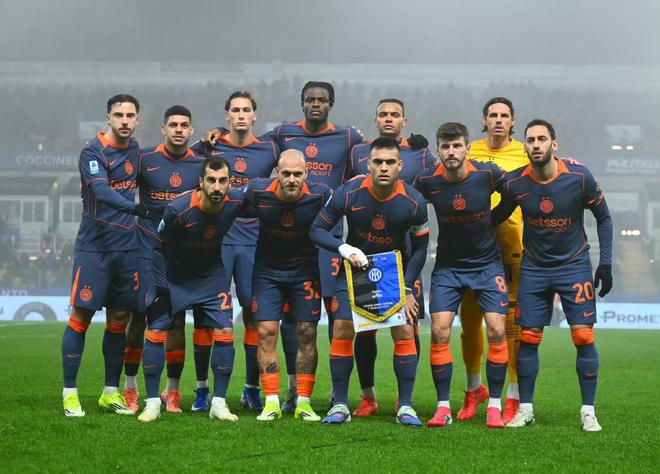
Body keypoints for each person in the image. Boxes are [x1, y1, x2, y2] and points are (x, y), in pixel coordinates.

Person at [204, 81, 364, 411]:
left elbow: (376, 158)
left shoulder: (349, 137)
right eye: (310, 99)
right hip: (280, 246)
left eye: (322, 100)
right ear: (302, 103)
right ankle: (290, 391)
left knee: (334, 320)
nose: (316, 104)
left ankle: (337, 394)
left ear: (331, 104)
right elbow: (247, 140)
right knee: (286, 323)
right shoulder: (282, 134)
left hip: (325, 239)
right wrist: (219, 132)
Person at [491, 119, 613, 431]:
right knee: (528, 339)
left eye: (542, 139)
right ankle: (526, 409)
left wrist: (606, 263)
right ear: (525, 146)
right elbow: (497, 216)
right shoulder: (516, 183)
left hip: (574, 266)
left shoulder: (579, 177)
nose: (536, 144)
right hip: (534, 269)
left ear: (553, 145)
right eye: (531, 140)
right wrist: (466, 227)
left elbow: (604, 217)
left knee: (583, 336)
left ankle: (588, 411)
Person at [310, 136, 429, 426]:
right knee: (342, 327)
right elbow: (317, 229)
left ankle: (406, 407)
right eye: (378, 162)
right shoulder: (348, 193)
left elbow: (421, 248)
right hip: (355, 269)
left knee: (404, 330)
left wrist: (407, 287)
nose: (383, 167)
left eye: (390, 162)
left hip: (394, 273)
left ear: (400, 166)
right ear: (368, 165)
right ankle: (340, 404)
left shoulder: (414, 201)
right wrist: (344, 248)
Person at [62, 94, 162, 417]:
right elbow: (102, 192)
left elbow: (166, 160)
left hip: (126, 250)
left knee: (118, 320)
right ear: (108, 118)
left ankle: (110, 391)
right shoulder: (93, 152)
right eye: (118, 115)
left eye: (130, 115)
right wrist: (137, 209)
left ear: (137, 119)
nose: (124, 121)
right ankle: (70, 393)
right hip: (95, 249)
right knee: (80, 318)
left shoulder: (135, 149)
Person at [414, 122, 509, 428]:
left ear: (468, 148)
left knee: (496, 329)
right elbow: (405, 200)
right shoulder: (427, 180)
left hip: (487, 265)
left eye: (457, 146)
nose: (451, 152)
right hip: (448, 267)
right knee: (440, 330)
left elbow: (516, 191)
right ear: (438, 150)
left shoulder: (487, 174)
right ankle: (443, 407)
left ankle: (494, 405)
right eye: (445, 146)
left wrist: (493, 220)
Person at [137, 156, 246, 422]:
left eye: (223, 181)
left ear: (230, 183)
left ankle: (218, 404)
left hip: (211, 276)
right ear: (201, 183)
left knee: (225, 332)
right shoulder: (178, 209)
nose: (217, 187)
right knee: (156, 331)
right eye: (211, 180)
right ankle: (152, 403)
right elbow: (157, 248)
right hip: (173, 276)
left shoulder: (236, 202)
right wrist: (162, 288)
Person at [189, 91, 279, 412]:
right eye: (235, 110)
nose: (241, 115)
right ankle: (202, 390)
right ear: (227, 115)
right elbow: (181, 157)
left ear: (255, 115)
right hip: (216, 241)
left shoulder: (270, 148)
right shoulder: (209, 146)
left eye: (246, 110)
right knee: (206, 316)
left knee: (254, 316)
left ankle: (251, 389)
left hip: (254, 241)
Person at [348, 98, 432, 417]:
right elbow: (345, 187)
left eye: (394, 115)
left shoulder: (421, 153)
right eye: (383, 114)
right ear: (375, 119)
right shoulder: (358, 151)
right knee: (365, 327)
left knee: (409, 325)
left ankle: (403, 399)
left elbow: (443, 174)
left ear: (404, 121)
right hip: (368, 252)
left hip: (406, 253)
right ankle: (367, 396)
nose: (388, 119)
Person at [122, 105, 205, 414]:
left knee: (177, 321)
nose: (179, 129)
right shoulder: (145, 159)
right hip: (145, 251)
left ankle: (172, 391)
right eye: (173, 124)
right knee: (138, 318)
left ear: (191, 131)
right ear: (163, 129)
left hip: (180, 256)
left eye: (184, 125)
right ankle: (130, 388)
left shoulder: (200, 164)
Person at [243, 149, 331, 422]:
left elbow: (347, 205)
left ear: (306, 174)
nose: (292, 179)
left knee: (307, 333)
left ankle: (303, 402)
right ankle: (271, 402)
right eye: (286, 174)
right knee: (266, 332)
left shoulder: (321, 195)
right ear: (277, 173)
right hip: (267, 272)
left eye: (297, 174)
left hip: (305, 272)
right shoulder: (257, 191)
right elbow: (227, 205)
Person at [457, 97, 528, 423]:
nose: (498, 120)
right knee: (470, 321)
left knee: (511, 324)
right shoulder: (469, 151)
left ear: (512, 122)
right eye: (493, 115)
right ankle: (474, 389)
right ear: (484, 121)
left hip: (512, 246)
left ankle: (513, 395)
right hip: (472, 248)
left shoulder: (525, 153)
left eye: (504, 116)